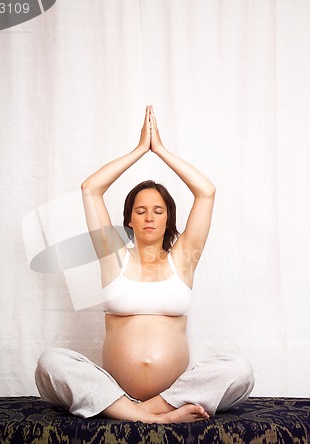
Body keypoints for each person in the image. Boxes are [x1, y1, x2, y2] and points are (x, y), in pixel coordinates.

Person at [35, 106, 254, 423]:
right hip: (114, 387)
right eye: (140, 211)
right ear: (128, 220)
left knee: (240, 371)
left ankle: (142, 410)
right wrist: (139, 151)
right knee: (50, 362)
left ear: (169, 219)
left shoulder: (184, 259)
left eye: (158, 210)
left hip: (176, 390)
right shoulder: (113, 256)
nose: (150, 217)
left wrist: (161, 151)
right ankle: (151, 416)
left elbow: (206, 192)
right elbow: (90, 189)